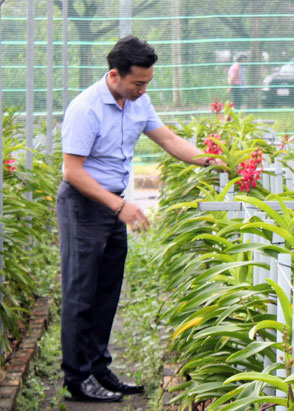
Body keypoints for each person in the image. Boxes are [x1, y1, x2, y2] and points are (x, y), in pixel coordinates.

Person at [57, 35, 220, 403]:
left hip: (113, 204)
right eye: (138, 83)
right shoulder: (86, 108)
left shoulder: (138, 102)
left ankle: (99, 367)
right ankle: (77, 378)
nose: (144, 89)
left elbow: (169, 140)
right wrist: (119, 208)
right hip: (84, 205)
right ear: (114, 75)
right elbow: (72, 172)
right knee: (80, 293)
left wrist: (212, 160)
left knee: (107, 291)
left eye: (147, 82)